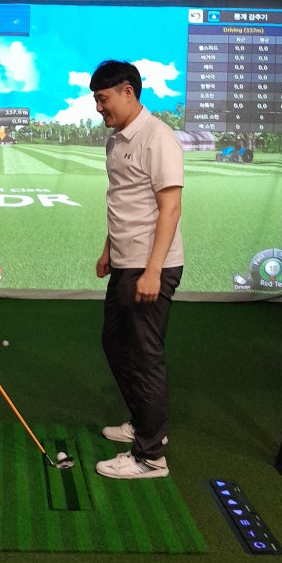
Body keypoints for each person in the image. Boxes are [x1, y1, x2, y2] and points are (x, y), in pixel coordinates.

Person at [89, 60, 184, 479]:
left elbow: (170, 207)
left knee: (145, 357)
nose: (99, 108)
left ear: (128, 91)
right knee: (114, 344)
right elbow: (123, 198)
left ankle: (150, 456)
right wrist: (109, 248)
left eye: (103, 99)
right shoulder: (116, 141)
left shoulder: (157, 137)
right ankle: (142, 422)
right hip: (124, 263)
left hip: (150, 266)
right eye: (95, 100)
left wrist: (153, 271)